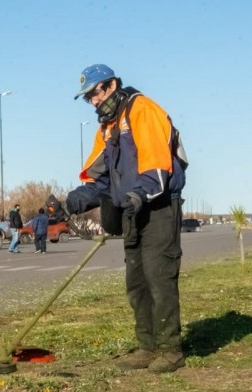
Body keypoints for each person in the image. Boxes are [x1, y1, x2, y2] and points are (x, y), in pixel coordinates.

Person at [63, 64, 186, 373]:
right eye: (88, 97)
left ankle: (171, 350)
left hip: (158, 207)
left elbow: (158, 168)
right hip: (131, 210)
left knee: (159, 278)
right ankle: (148, 347)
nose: (93, 100)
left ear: (112, 84)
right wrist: (77, 198)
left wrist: (139, 194)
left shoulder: (141, 109)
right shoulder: (107, 126)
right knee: (137, 283)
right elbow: (101, 179)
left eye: (96, 92)